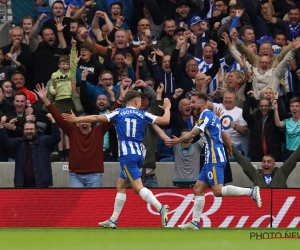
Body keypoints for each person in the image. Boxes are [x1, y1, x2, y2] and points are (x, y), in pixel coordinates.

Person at [62, 90, 172, 228]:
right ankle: (113, 219)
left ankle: (160, 207)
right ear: (137, 102)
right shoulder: (143, 114)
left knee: (138, 187)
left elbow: (97, 118)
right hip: (139, 155)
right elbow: (165, 120)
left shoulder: (119, 113)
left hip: (127, 156)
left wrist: (77, 119)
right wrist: (167, 108)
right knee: (120, 185)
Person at [166, 92, 262, 230]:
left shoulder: (205, 115)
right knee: (198, 189)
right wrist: (229, 148)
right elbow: (224, 135)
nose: (191, 105)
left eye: (193, 102)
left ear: (202, 103)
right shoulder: (213, 117)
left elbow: (193, 133)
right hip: (212, 157)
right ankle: (195, 222)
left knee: (217, 191)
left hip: (214, 157)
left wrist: (178, 140)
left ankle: (251, 192)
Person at [35, 82, 125, 187]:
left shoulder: (98, 130)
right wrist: (45, 99)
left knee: (94, 203)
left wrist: (120, 100)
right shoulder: (72, 131)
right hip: (75, 176)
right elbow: (58, 118)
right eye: (81, 122)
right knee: (76, 203)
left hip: (95, 175)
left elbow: (111, 115)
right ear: (77, 123)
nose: (84, 124)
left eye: (87, 121)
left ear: (91, 122)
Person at [0, 113, 60, 187]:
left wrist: (53, 122)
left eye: (31, 129)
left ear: (36, 130)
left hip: (41, 185)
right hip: (22, 185)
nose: (29, 131)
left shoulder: (44, 141)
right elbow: (5, 142)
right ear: (23, 130)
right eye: (26, 129)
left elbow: (56, 138)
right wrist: (1, 126)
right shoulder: (19, 142)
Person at [232, 145, 300, 188]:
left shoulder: (282, 172)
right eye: (264, 161)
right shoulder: (256, 174)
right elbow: (243, 161)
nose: (266, 164)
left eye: (269, 162)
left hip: (279, 206)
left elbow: (293, 158)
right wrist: (230, 146)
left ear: (274, 165)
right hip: (261, 208)